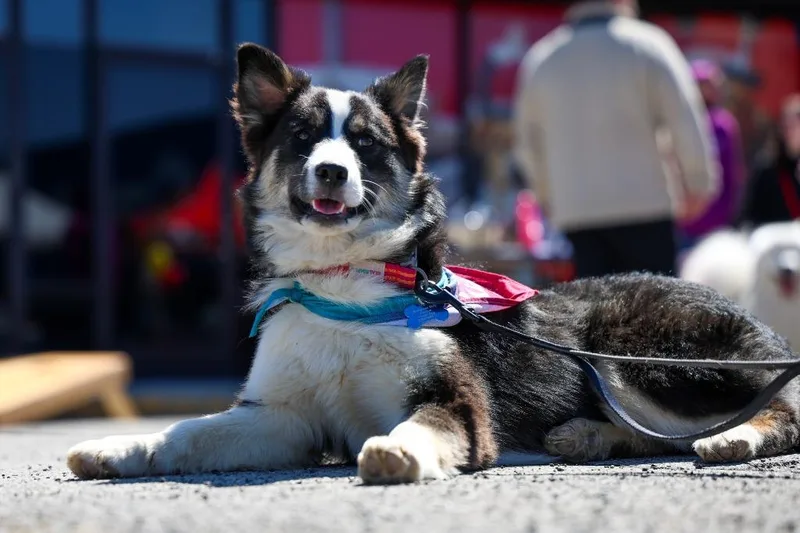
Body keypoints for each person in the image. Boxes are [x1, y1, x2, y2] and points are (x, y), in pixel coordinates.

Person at [512, 0, 718, 278]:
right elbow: (685, 117)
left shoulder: (542, 57)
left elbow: (528, 145)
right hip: (647, 207)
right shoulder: (649, 44)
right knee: (656, 314)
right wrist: (698, 182)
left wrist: (547, 198)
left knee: (592, 316)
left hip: (577, 213)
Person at [677, 59, 745, 250]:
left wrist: (730, 213)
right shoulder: (680, 120)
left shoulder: (724, 123)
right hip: (683, 222)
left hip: (717, 222)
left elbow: (733, 173)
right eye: (701, 85)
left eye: (710, 85)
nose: (706, 90)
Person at [738, 94, 800, 228]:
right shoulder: (768, 167)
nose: (788, 131)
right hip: (775, 239)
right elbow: (751, 213)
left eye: (794, 125)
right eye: (785, 124)